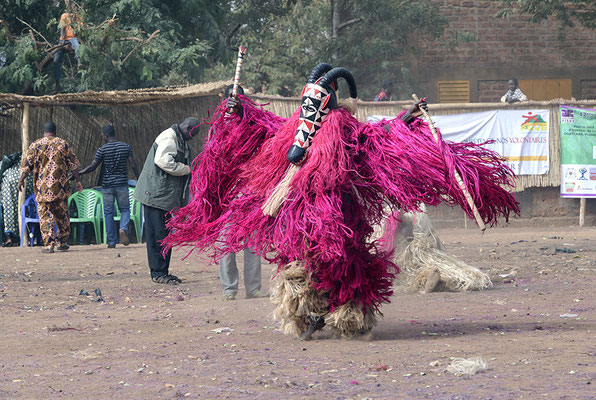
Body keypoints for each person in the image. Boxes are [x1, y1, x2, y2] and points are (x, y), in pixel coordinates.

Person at [164, 62, 519, 340]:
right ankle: (310, 314)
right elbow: (265, 126)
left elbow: (379, 137)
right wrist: (238, 112)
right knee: (299, 265)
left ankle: (345, 315)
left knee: (342, 264)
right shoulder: (295, 128)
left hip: (338, 214)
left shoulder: (346, 131)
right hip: (299, 210)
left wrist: (406, 120)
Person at [134, 117, 200, 284]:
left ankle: (162, 270)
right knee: (157, 235)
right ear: (188, 128)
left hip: (162, 196)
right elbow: (163, 161)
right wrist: (187, 169)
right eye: (193, 134)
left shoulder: (178, 139)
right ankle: (158, 273)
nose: (192, 138)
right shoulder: (169, 137)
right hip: (155, 195)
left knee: (164, 234)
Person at [217, 84, 266, 300]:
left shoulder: (255, 125)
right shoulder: (221, 124)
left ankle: (253, 289)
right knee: (226, 243)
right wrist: (225, 112)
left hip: (251, 191)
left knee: (253, 243)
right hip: (227, 195)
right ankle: (229, 289)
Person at [18, 121, 83, 253]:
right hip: (60, 187)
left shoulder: (36, 145)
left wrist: (21, 180)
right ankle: (63, 242)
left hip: (43, 189)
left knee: (45, 216)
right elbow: (74, 165)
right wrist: (78, 181)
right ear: (55, 131)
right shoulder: (63, 144)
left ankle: (49, 245)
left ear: (44, 131)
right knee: (62, 215)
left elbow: (27, 167)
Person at [77, 125, 140, 248]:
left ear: (106, 135)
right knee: (125, 209)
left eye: (102, 135)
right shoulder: (126, 147)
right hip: (122, 184)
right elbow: (133, 165)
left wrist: (79, 173)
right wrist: (139, 178)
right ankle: (123, 228)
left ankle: (111, 242)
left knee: (108, 212)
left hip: (107, 186)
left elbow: (92, 167)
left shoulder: (102, 149)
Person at [0, 152, 34, 246]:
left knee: (8, 209)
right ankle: (25, 236)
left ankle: (9, 237)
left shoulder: (5, 171)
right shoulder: (29, 166)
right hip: (24, 187)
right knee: (24, 209)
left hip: (14, 186)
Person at [53, 0, 83, 93]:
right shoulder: (65, 15)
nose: (74, 8)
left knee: (77, 45)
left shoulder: (79, 17)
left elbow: (80, 30)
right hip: (64, 39)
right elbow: (62, 28)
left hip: (73, 38)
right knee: (56, 59)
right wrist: (62, 39)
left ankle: (79, 62)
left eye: (75, 7)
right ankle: (57, 82)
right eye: (72, 7)